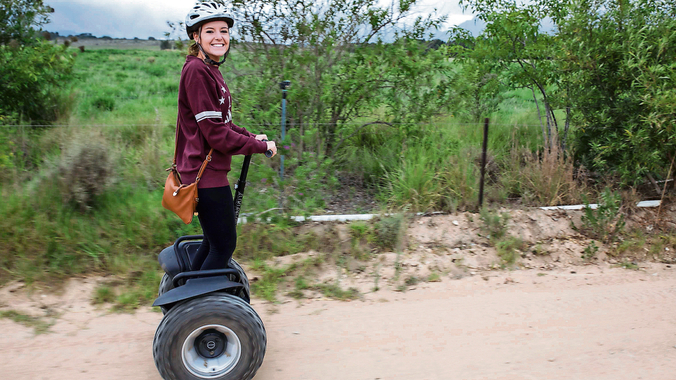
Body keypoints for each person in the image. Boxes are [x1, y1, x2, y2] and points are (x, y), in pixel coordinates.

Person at [176, 1, 276, 271]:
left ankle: (191, 301)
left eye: (224, 30)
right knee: (223, 246)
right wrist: (256, 146)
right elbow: (216, 135)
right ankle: (202, 309)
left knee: (212, 243)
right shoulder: (197, 71)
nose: (219, 37)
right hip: (204, 174)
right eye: (210, 31)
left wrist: (254, 138)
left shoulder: (209, 70)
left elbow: (224, 123)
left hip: (206, 171)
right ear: (196, 36)